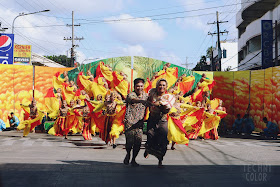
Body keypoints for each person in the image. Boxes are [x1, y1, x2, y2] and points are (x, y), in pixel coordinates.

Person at [145, 78, 171, 168]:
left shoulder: (168, 97)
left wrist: (159, 105)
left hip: (162, 120)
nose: (161, 87)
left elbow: (166, 108)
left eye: (164, 85)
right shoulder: (152, 92)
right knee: (150, 135)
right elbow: (148, 100)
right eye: (160, 85)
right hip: (152, 118)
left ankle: (160, 159)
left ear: (166, 87)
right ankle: (148, 148)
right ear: (157, 86)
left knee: (163, 140)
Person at [123, 78, 148, 167]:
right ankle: (128, 153)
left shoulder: (146, 95)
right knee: (129, 142)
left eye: (141, 86)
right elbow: (132, 100)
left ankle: (133, 159)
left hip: (139, 123)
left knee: (138, 142)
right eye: (138, 86)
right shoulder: (131, 94)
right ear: (134, 86)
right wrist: (141, 101)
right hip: (129, 122)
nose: (139, 88)